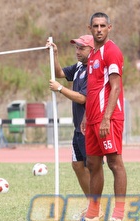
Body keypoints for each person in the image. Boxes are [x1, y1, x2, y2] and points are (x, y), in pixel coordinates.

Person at [47, 35, 103, 218]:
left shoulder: (94, 69)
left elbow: (83, 98)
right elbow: (60, 74)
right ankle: (92, 205)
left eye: (82, 48)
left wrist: (60, 89)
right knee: (77, 165)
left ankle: (97, 208)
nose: (77, 52)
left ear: (92, 49)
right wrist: (54, 54)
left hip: (91, 127)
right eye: (76, 48)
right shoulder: (79, 66)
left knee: (93, 168)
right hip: (78, 128)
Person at [81, 12, 126, 221]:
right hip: (92, 119)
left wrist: (106, 117)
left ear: (110, 27)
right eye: (95, 26)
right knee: (93, 163)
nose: (99, 29)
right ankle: (93, 212)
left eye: (102, 26)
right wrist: (86, 117)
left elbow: (115, 86)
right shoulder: (92, 54)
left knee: (114, 162)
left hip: (108, 117)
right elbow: (93, 87)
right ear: (90, 29)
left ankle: (118, 214)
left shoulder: (112, 51)